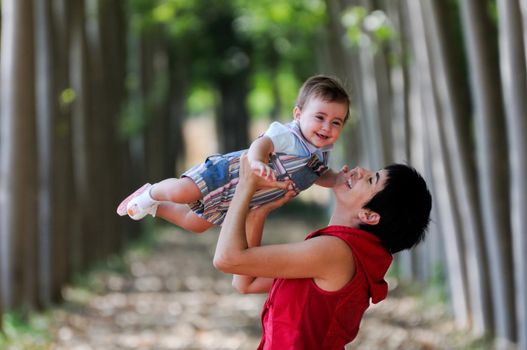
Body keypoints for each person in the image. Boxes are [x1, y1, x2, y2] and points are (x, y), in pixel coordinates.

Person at [213, 154, 432, 349]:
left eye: (371, 179)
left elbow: (227, 259)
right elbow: (246, 281)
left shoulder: (335, 252)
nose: (359, 171)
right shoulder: (342, 250)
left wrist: (245, 186)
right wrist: (258, 212)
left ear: (368, 215)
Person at [116, 75, 351, 233]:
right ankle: (152, 191)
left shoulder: (320, 156)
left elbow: (320, 176)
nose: (326, 127)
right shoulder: (287, 135)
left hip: (242, 198)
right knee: (182, 191)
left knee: (195, 224)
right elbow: (262, 144)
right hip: (227, 176)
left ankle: (154, 207)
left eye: (336, 122)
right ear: (298, 114)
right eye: (319, 117)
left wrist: (338, 180)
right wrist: (258, 161)